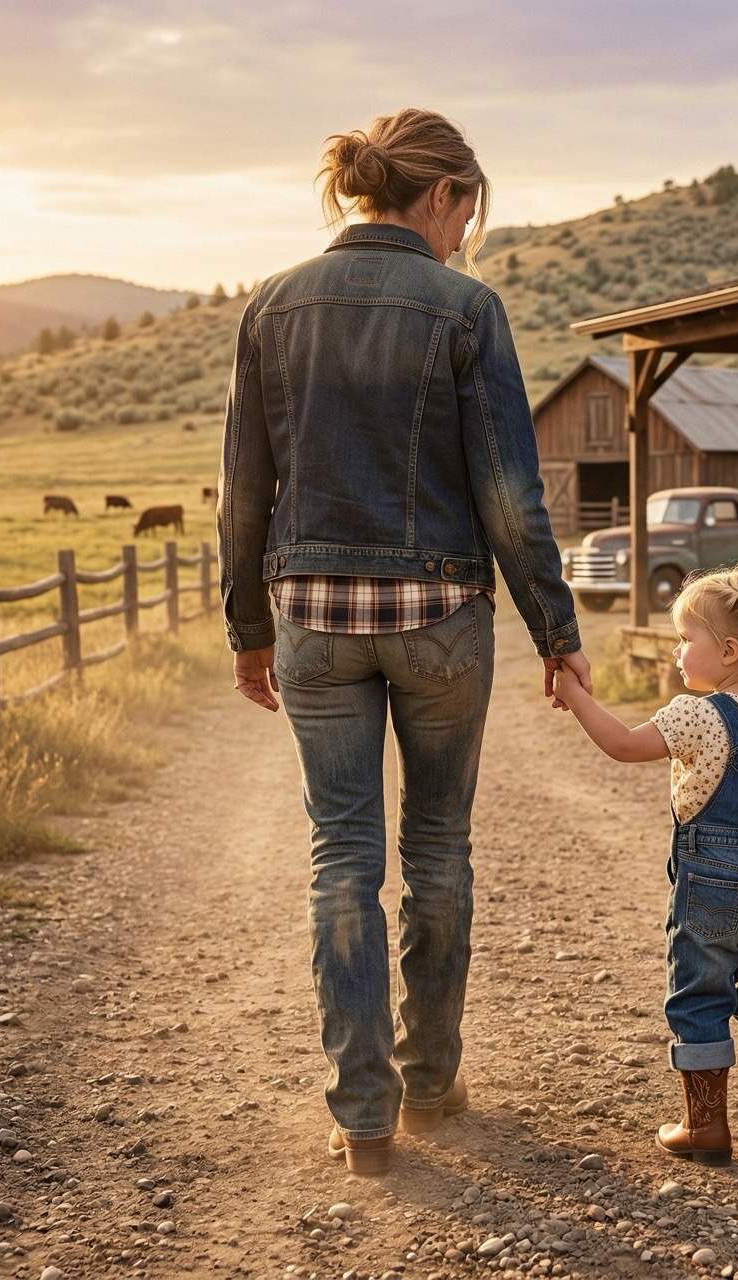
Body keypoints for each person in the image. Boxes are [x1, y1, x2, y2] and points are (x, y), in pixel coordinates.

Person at [217, 107, 590, 1176]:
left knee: (341, 857)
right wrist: (555, 630)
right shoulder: (465, 308)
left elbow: (245, 492)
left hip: (314, 624)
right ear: (439, 197)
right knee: (435, 849)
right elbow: (509, 495)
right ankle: (427, 1076)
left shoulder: (270, 307)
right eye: (465, 212)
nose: (465, 234)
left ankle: (362, 1110)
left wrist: (249, 629)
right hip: (437, 621)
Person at [552, 564, 738, 1165]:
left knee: (701, 995)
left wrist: (577, 697)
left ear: (728, 650)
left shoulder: (695, 715)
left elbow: (626, 745)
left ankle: (705, 1127)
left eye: (686, 639)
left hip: (712, 883)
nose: (679, 651)